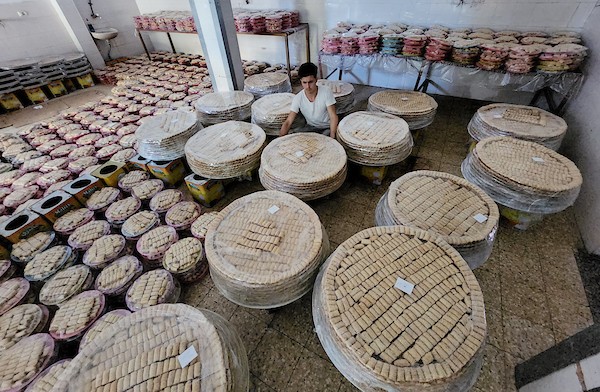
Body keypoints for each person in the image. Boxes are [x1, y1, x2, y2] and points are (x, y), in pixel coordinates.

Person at [279, 62, 338, 138]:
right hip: (310, 127)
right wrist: (280, 138)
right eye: (304, 82)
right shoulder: (298, 98)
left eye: (310, 82)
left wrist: (332, 136)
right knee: (296, 136)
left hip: (326, 127)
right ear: (301, 81)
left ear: (316, 80)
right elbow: (288, 121)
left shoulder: (326, 92)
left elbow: (333, 116)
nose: (307, 86)